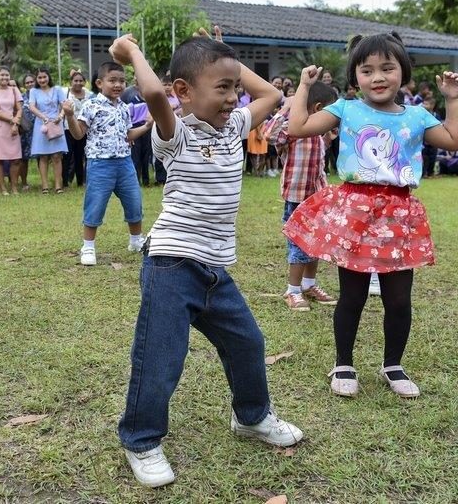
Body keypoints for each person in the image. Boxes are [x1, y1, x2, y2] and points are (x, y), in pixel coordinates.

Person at [109, 32, 302, 488]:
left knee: (247, 343)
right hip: (172, 264)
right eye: (222, 88)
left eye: (235, 87)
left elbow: (272, 95)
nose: (234, 96)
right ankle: (140, 439)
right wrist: (131, 51)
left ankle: (251, 418)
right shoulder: (174, 133)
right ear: (183, 92)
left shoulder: (235, 125)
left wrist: (227, 60)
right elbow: (153, 92)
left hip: (215, 268)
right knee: (161, 356)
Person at [284, 32, 458, 399]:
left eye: (387, 68)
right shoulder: (346, 109)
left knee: (399, 299)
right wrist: (303, 86)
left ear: (403, 73)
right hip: (356, 212)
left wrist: (452, 100)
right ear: (355, 77)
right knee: (353, 296)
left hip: (398, 213)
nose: (377, 77)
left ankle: (393, 364)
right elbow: (297, 127)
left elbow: (453, 140)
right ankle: (343, 363)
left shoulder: (417, 115)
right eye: (367, 70)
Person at [64, 61, 153, 266]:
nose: (118, 85)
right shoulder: (91, 105)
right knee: (95, 205)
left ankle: (136, 241)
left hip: (124, 163)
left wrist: (147, 126)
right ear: (99, 83)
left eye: (122, 81)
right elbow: (78, 134)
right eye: (112, 80)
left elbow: (127, 135)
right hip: (100, 164)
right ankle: (88, 247)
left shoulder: (124, 108)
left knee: (134, 202)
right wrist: (70, 116)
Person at [263, 84, 338, 311]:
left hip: (316, 196)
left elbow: (319, 162)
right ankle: (292, 290)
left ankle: (308, 284)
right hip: (296, 197)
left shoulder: (319, 130)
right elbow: (269, 134)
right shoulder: (292, 128)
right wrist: (286, 108)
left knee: (314, 243)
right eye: (331, 111)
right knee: (299, 244)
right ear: (317, 109)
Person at [0, 66, 23, 195]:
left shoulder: (14, 90)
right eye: (2, 75)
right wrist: (11, 120)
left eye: (7, 75)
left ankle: (14, 187)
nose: (5, 77)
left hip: (13, 128)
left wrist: (16, 122)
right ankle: (2, 188)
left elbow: (19, 108)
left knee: (16, 158)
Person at [29, 68, 68, 194]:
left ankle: (58, 185)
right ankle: (44, 186)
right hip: (42, 125)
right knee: (43, 156)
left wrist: (60, 116)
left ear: (48, 77)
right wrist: (43, 117)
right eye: (39, 78)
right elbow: (32, 107)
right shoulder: (34, 91)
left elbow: (64, 105)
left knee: (57, 156)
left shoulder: (57, 90)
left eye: (44, 77)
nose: (42, 80)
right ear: (36, 79)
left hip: (56, 123)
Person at [62, 69, 90, 188]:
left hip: (84, 129)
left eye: (80, 80)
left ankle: (81, 181)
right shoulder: (65, 93)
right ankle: (65, 182)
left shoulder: (88, 94)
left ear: (84, 82)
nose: (78, 83)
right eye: (75, 80)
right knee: (67, 156)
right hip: (68, 129)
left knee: (81, 156)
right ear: (71, 82)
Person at [122, 80, 152, 186]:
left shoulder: (151, 99)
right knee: (136, 155)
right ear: (136, 86)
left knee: (146, 155)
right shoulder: (132, 99)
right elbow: (128, 117)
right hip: (135, 128)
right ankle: (136, 180)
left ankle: (146, 180)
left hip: (148, 129)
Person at [18, 73, 36, 191]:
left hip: (39, 131)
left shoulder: (41, 95)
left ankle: (44, 182)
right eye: (27, 82)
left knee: (42, 157)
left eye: (31, 82)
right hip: (25, 132)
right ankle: (24, 183)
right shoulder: (21, 98)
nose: (30, 84)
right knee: (23, 159)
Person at [421, 95, 439, 178]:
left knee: (433, 157)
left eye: (426, 104)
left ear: (432, 105)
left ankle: (430, 173)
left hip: (435, 140)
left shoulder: (436, 115)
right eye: (423, 103)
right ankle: (424, 173)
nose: (424, 105)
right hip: (424, 140)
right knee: (424, 157)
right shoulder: (422, 115)